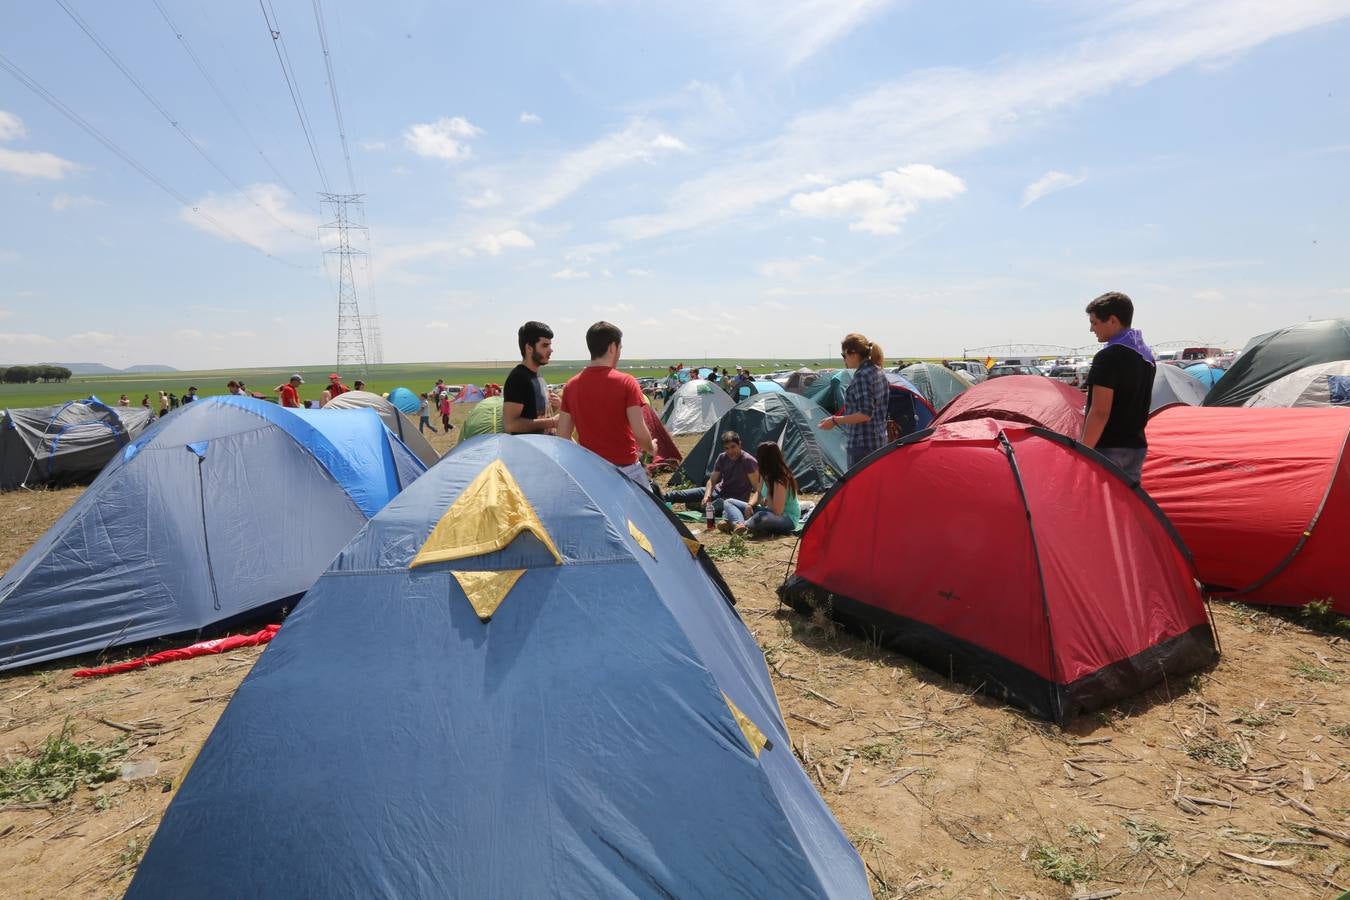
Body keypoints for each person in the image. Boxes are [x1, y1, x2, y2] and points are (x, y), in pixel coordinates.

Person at [556, 321, 658, 491]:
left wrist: (585, 457)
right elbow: (640, 433)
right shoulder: (627, 382)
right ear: (612, 347)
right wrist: (650, 447)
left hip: (592, 472)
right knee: (645, 516)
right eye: (620, 348)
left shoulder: (571, 385)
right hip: (626, 470)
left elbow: (562, 437)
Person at [1081, 291, 1155, 483]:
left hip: (1108, 447)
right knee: (1125, 507)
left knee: (1099, 508)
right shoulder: (1146, 355)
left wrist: (1082, 452)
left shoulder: (1108, 357)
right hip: (1136, 446)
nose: (1091, 329)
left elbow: (1100, 412)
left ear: (1112, 320)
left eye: (1094, 322)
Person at [665, 431, 760, 529]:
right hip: (717, 491)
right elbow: (712, 480)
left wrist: (750, 505)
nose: (730, 451)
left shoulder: (748, 461)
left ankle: (695, 505)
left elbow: (758, 489)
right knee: (675, 495)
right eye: (727, 448)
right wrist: (707, 495)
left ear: (740, 444)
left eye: (733, 447)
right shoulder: (722, 457)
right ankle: (656, 503)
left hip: (732, 500)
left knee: (710, 510)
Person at [820, 332, 888, 469]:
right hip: (879, 441)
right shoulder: (878, 371)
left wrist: (834, 420)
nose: (844, 359)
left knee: (860, 488)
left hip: (862, 445)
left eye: (844, 355)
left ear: (853, 354)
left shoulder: (862, 376)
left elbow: (865, 414)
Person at [721, 442, 800, 537]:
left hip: (786, 518)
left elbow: (777, 511)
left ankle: (738, 524)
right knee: (729, 502)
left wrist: (769, 488)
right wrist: (750, 505)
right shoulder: (765, 473)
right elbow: (758, 493)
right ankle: (739, 525)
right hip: (768, 513)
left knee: (761, 516)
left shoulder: (780, 479)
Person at [503, 321, 559, 434]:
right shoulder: (518, 378)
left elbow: (536, 415)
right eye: (545, 345)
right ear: (529, 348)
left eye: (550, 345)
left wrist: (553, 407)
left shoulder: (538, 376)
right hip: (528, 450)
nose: (551, 350)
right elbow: (510, 425)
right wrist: (552, 422)